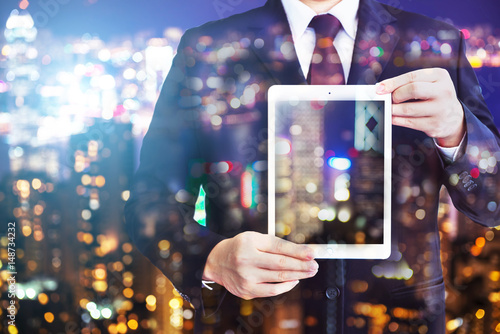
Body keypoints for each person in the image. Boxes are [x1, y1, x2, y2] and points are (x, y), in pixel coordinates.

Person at [125, 0, 500, 332]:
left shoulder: (436, 43)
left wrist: (458, 129)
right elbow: (150, 200)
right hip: (254, 320)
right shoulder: (207, 49)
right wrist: (211, 258)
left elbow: (493, 198)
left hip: (400, 319)